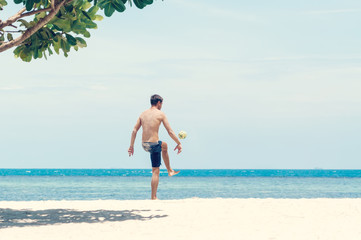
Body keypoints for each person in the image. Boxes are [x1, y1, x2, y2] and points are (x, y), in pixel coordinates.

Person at [128, 94, 182, 200]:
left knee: (164, 146)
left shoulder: (143, 114)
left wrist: (131, 146)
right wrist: (178, 143)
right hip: (153, 145)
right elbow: (170, 131)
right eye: (161, 104)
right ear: (158, 103)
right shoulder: (160, 114)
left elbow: (134, 130)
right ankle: (153, 197)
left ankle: (170, 170)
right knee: (155, 171)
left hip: (144, 144)